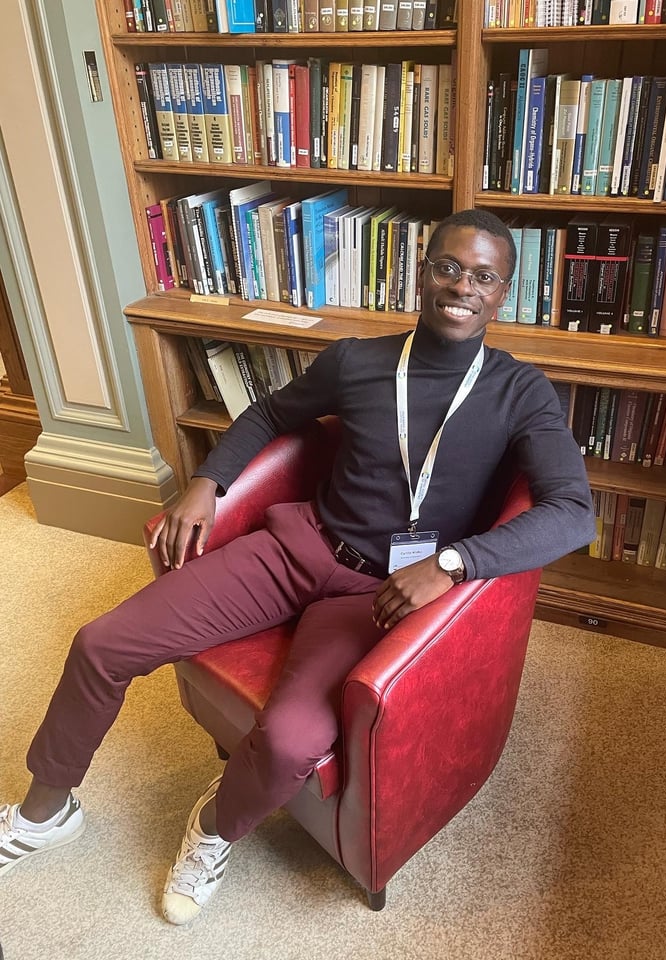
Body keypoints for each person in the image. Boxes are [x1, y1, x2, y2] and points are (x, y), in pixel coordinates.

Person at [0, 208, 595, 924]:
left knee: (289, 741)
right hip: (297, 549)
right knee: (102, 643)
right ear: (421, 271)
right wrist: (207, 482)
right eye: (447, 266)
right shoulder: (358, 361)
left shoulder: (520, 392)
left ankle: (214, 828)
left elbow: (572, 511)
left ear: (503, 294)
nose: (461, 286)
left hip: (379, 598)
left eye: (483, 275)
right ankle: (44, 810)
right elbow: (269, 416)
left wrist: (454, 562)